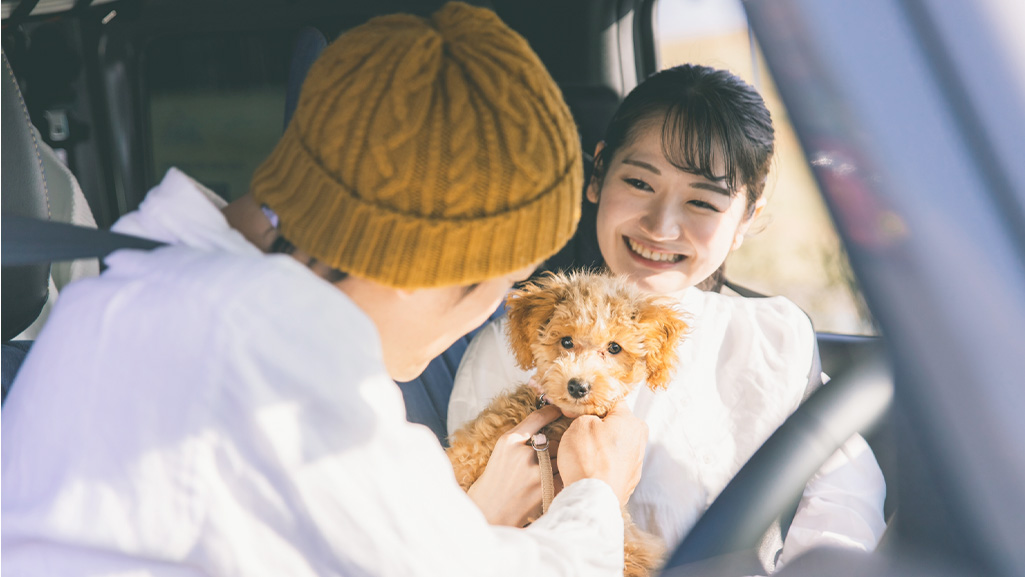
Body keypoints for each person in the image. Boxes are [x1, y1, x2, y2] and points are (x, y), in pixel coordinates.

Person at [0, 4, 650, 576]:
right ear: (429, 267)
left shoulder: (155, 286)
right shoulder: (270, 359)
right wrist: (594, 493)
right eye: (508, 279)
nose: (492, 309)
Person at [448, 64, 887, 571]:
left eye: (702, 201)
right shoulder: (514, 343)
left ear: (746, 218)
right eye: (639, 182)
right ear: (597, 175)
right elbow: (462, 519)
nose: (661, 226)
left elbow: (840, 514)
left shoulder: (773, 341)